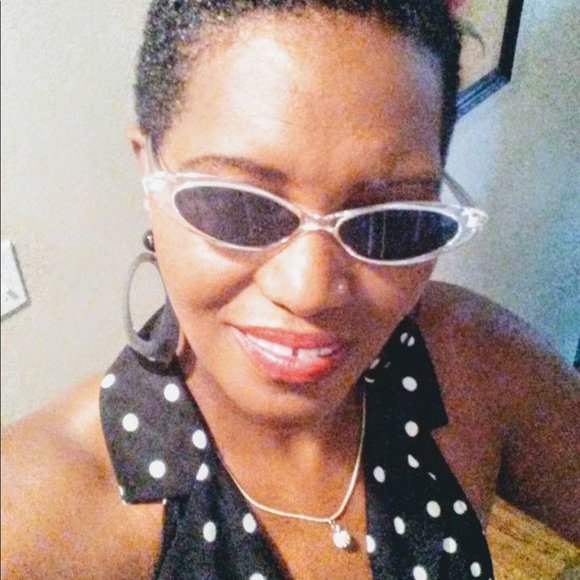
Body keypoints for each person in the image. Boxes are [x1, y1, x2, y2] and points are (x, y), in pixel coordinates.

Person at [1, 0, 578, 578]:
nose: (310, 291)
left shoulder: (473, 365)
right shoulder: (38, 522)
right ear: (149, 177)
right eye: (239, 207)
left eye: (386, 222)